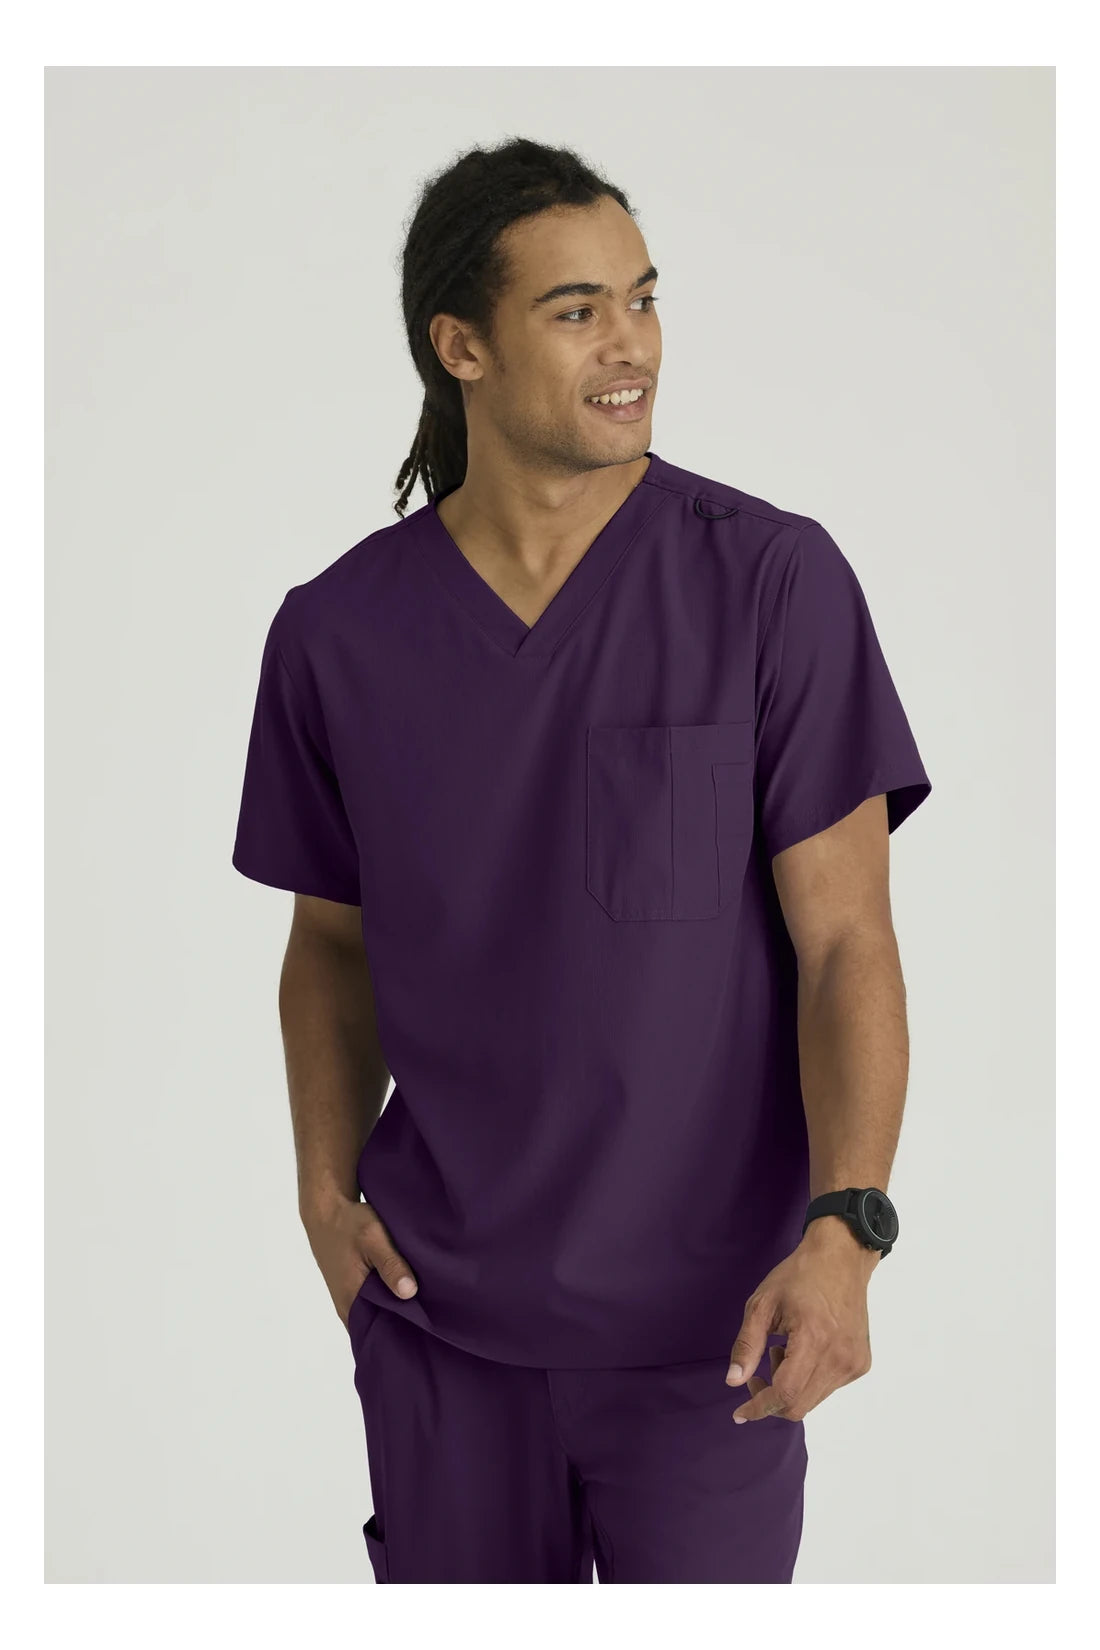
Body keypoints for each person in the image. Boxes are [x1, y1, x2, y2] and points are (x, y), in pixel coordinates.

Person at [231, 137, 932, 1584]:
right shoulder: (338, 633)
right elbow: (331, 945)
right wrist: (320, 1195)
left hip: (715, 1335)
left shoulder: (769, 582)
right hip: (439, 1327)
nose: (633, 345)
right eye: (577, 310)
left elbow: (847, 942)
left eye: (644, 297)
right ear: (462, 346)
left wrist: (847, 1227)